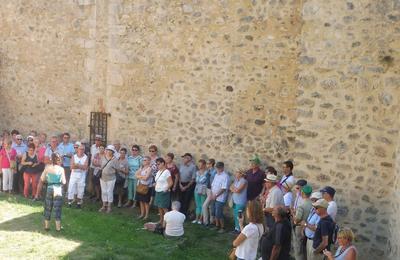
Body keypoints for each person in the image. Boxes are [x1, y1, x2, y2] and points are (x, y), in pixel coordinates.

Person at [38, 153, 66, 231]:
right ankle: (58, 228)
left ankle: (47, 227)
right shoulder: (61, 169)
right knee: (57, 208)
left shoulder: (47, 168)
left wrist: (49, 179)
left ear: (51, 159)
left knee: (48, 207)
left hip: (49, 188)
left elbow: (42, 179)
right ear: (58, 159)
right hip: (58, 189)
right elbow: (64, 182)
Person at [293, 185, 313, 260]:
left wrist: (293, 214)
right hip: (308, 228)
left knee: (298, 249)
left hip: (299, 227)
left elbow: (297, 219)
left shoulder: (301, 205)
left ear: (302, 193)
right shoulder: (313, 204)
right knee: (305, 249)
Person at [99, 145, 119, 213]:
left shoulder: (115, 159)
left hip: (111, 178)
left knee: (109, 192)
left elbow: (117, 168)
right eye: (108, 150)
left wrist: (111, 169)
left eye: (110, 150)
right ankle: (104, 205)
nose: (108, 151)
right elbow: (101, 166)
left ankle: (109, 206)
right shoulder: (103, 157)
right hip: (103, 177)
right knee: (104, 191)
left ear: (112, 152)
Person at [67, 143, 88, 208]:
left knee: (81, 188)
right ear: (78, 149)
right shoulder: (74, 156)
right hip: (74, 174)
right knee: (71, 188)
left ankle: (79, 203)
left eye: (82, 149)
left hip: (82, 175)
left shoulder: (86, 157)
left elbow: (85, 167)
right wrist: (80, 166)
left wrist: (77, 165)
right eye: (80, 149)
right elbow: (71, 167)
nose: (81, 150)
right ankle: (69, 202)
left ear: (84, 150)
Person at [210, 161, 229, 233]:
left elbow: (223, 188)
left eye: (219, 168)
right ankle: (216, 225)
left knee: (219, 213)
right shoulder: (216, 175)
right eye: (216, 168)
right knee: (214, 212)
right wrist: (212, 194)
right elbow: (213, 185)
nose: (217, 169)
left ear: (222, 168)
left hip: (220, 198)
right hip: (213, 196)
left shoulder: (225, 176)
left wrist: (216, 195)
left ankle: (223, 227)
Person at [303, 192, 323, 260]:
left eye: (315, 200)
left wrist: (305, 224)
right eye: (312, 199)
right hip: (309, 240)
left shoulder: (320, 213)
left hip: (314, 241)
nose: (313, 201)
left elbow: (316, 228)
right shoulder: (313, 209)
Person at [154, 158, 173, 224]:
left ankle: (167, 222)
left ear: (163, 163)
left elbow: (170, 183)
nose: (157, 165)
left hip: (163, 192)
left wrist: (165, 190)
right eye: (156, 164)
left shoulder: (167, 172)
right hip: (158, 191)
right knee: (159, 207)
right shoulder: (158, 171)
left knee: (164, 208)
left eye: (158, 164)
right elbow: (157, 181)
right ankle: (161, 220)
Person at [230, 169, 248, 234]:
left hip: (240, 201)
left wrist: (234, 189)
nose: (236, 174)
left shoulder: (244, 181)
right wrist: (235, 189)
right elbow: (230, 187)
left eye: (237, 172)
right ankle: (236, 228)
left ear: (241, 174)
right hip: (235, 201)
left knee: (239, 216)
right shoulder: (236, 180)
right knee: (235, 215)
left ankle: (239, 229)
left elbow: (238, 191)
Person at [135, 156, 153, 220]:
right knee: (141, 201)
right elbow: (135, 175)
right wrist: (142, 176)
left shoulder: (149, 168)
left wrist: (139, 176)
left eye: (145, 160)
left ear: (149, 161)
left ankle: (146, 215)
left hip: (146, 187)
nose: (144, 161)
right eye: (143, 160)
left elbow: (146, 178)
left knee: (146, 202)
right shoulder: (141, 167)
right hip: (140, 185)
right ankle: (142, 214)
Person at [202, 158, 217, 227]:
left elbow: (214, 181)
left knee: (204, 206)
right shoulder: (207, 171)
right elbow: (203, 180)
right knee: (210, 206)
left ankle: (206, 222)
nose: (207, 165)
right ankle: (211, 221)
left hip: (212, 190)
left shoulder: (214, 172)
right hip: (208, 189)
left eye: (208, 163)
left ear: (211, 164)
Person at [193, 159, 207, 224]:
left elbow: (201, 180)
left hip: (203, 190)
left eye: (200, 165)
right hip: (197, 189)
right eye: (198, 164)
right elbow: (197, 180)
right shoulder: (197, 172)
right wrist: (198, 178)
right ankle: (196, 219)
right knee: (197, 205)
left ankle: (200, 219)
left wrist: (198, 178)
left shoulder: (207, 172)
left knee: (202, 204)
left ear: (204, 165)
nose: (199, 166)